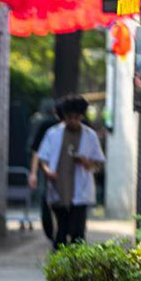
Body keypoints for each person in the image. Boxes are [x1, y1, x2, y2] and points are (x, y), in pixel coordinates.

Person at [37, 94, 105, 249]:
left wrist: (86, 162)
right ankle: (58, 266)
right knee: (61, 230)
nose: (73, 121)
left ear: (81, 116)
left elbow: (98, 162)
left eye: (76, 117)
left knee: (78, 232)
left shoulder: (90, 136)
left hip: (80, 190)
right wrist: (48, 172)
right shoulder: (53, 133)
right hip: (59, 188)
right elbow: (43, 159)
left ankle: (76, 266)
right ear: (64, 117)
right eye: (69, 117)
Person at [27, 98, 61, 240]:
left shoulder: (42, 124)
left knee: (46, 199)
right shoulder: (49, 125)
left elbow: (36, 151)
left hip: (46, 168)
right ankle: (59, 234)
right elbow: (37, 150)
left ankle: (54, 234)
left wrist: (33, 172)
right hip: (51, 169)